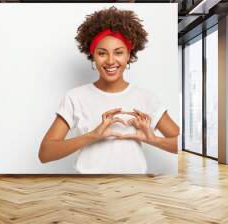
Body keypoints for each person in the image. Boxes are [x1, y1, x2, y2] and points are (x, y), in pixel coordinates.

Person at [38, 6, 180, 174]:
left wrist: (153, 139)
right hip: (89, 191)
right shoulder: (75, 97)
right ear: (93, 56)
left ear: (129, 55)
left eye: (119, 52)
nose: (111, 61)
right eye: (102, 53)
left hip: (135, 190)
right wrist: (93, 135)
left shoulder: (146, 98)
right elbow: (45, 153)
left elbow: (179, 143)